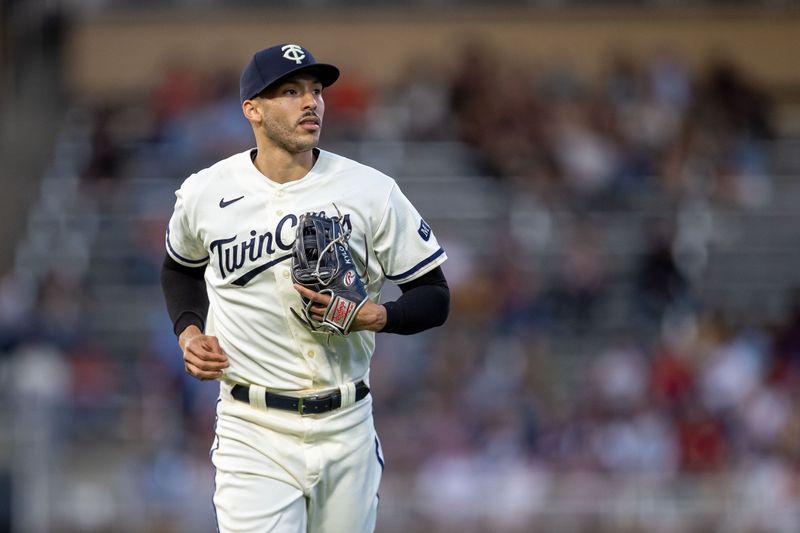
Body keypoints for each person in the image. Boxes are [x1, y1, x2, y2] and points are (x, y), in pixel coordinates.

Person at [160, 43, 450, 533]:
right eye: (290, 92)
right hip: (252, 427)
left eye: (316, 91)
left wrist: (377, 315)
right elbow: (180, 268)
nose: (310, 102)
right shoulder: (205, 193)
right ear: (252, 109)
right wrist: (188, 332)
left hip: (348, 423)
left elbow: (435, 295)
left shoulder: (371, 191)